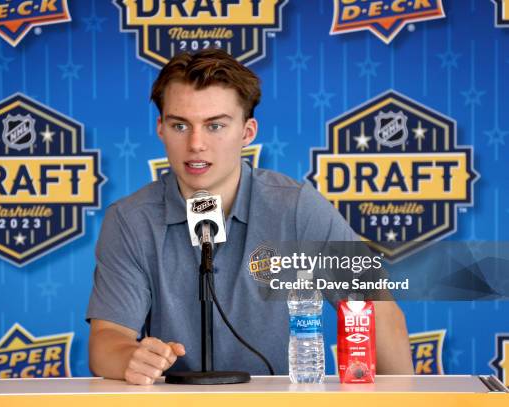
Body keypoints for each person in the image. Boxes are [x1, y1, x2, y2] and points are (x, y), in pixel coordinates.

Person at [87, 49, 414, 385]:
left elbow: (379, 313)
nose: (196, 144)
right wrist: (130, 357)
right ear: (160, 129)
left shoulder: (297, 208)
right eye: (180, 125)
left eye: (215, 125)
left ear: (247, 132)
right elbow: (107, 337)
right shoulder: (129, 220)